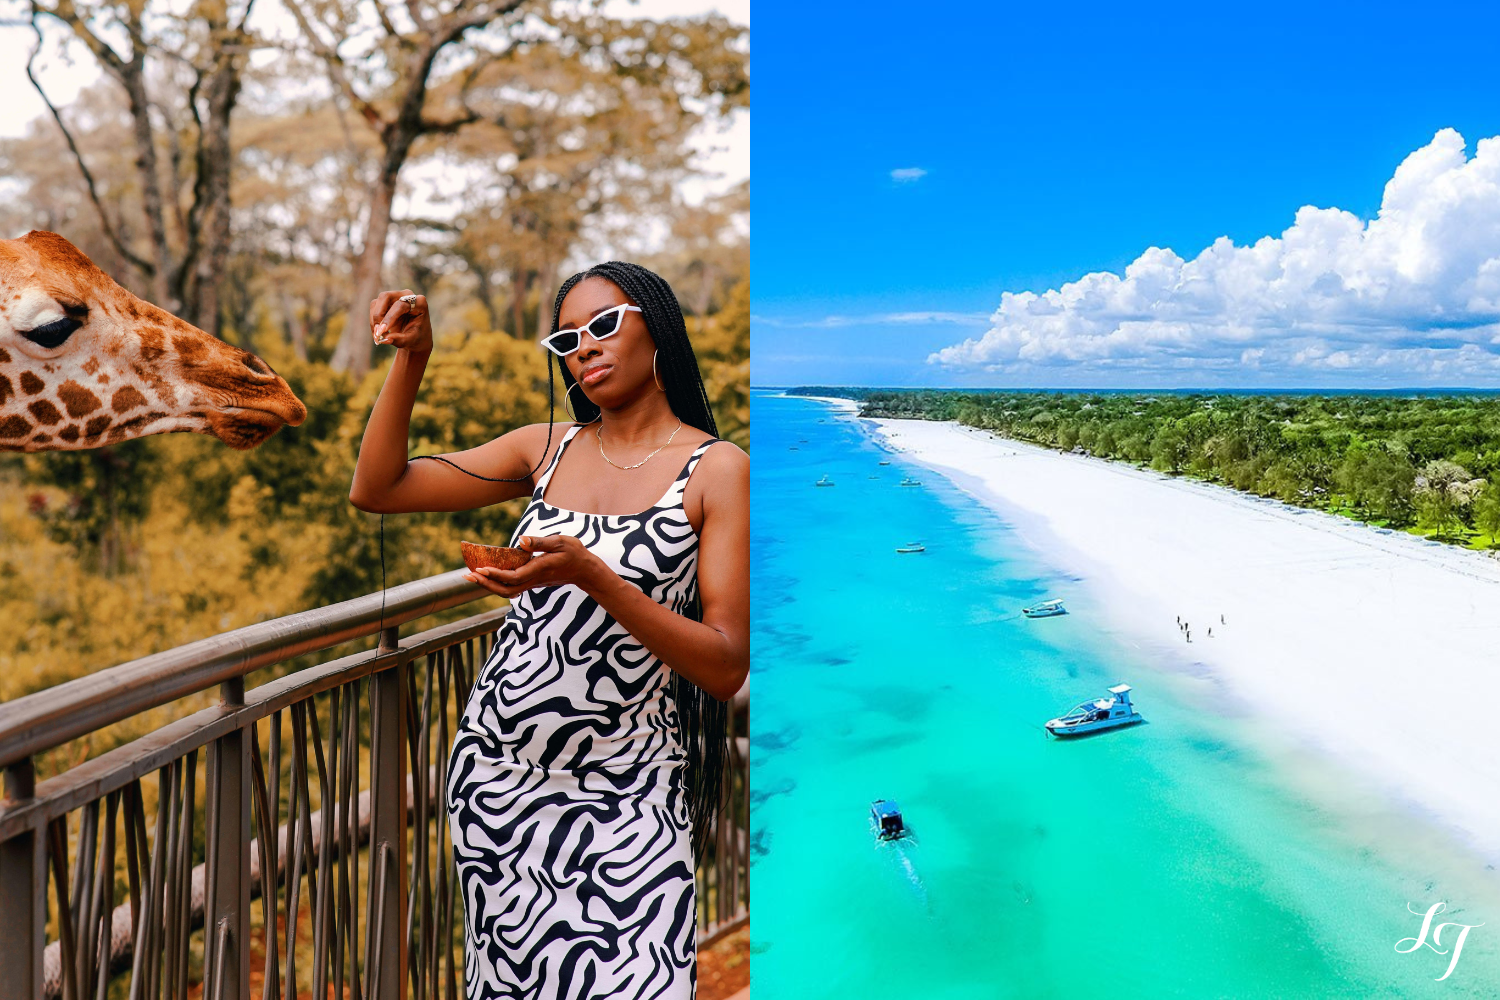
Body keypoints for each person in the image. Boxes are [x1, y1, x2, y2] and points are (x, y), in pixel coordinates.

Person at [348, 262, 750, 999]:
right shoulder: (545, 449)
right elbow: (378, 488)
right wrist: (414, 359)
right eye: (566, 339)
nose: (584, 347)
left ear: (656, 327)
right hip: (499, 782)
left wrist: (593, 575)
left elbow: (725, 666)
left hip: (631, 792)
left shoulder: (716, 470)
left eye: (604, 325)